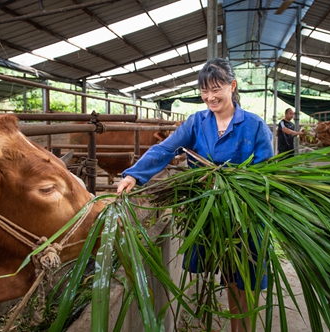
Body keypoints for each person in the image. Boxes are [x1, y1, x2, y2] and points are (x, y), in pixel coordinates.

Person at [117, 57, 273, 332]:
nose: (210, 97)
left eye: (216, 89)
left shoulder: (254, 125)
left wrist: (235, 183)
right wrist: (134, 174)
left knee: (243, 279)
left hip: (246, 215)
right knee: (222, 268)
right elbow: (165, 149)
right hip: (208, 212)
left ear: (232, 86)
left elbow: (266, 172)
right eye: (204, 91)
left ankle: (242, 328)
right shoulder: (196, 122)